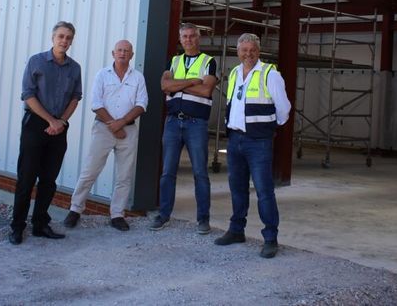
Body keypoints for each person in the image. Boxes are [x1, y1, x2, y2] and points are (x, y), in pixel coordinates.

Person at [214, 33, 291, 258]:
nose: (248, 54)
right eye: (244, 50)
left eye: (252, 50)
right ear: (238, 52)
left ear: (259, 51)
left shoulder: (270, 74)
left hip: (258, 142)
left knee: (264, 191)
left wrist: (267, 129)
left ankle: (270, 238)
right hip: (235, 139)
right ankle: (237, 230)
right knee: (237, 188)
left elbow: (284, 109)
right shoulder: (235, 73)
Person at [62, 40, 148, 231]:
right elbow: (96, 103)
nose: (123, 53)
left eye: (126, 51)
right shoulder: (102, 75)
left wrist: (122, 122)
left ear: (132, 55)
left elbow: (142, 104)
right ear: (113, 53)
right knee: (90, 170)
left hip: (128, 130)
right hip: (103, 129)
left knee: (124, 175)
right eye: (119, 50)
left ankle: (117, 214)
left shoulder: (138, 78)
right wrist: (114, 125)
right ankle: (75, 210)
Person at [9, 21, 82, 245]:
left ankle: (40, 224)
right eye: (61, 36)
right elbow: (28, 95)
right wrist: (51, 120)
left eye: (69, 37)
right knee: (27, 178)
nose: (64, 41)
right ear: (53, 38)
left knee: (49, 180)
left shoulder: (74, 68)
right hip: (35, 126)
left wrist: (60, 122)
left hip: (59, 129)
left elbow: (75, 98)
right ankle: (17, 227)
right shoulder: (37, 61)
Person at [149, 23, 218, 234]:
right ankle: (164, 215)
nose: (188, 39)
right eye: (185, 36)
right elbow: (164, 86)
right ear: (180, 39)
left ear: (199, 38)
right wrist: (192, 81)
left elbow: (206, 90)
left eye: (192, 36)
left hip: (196, 123)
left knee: (200, 173)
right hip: (172, 122)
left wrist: (178, 83)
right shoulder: (174, 60)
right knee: (168, 172)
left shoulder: (209, 62)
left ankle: (203, 219)